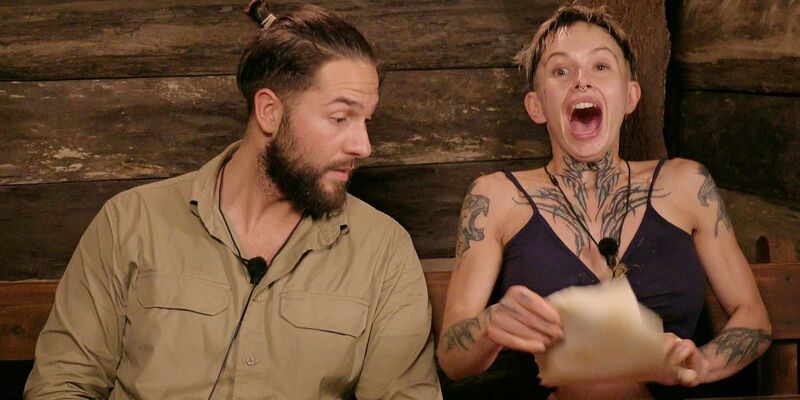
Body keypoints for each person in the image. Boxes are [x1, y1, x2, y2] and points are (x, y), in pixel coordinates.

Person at [24, 2, 442, 399]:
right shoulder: (130, 221)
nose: (363, 146)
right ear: (269, 112)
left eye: (366, 121)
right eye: (340, 118)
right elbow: (61, 385)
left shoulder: (384, 251)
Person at [436, 3, 771, 399]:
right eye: (561, 71)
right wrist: (490, 324)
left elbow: (754, 319)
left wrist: (699, 364)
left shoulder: (686, 183)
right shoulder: (495, 196)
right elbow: (453, 360)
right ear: (537, 106)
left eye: (601, 67)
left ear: (629, 96)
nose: (581, 81)